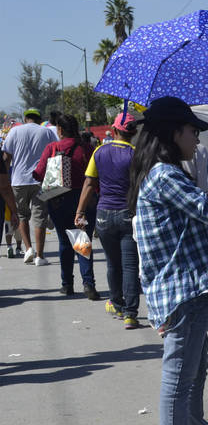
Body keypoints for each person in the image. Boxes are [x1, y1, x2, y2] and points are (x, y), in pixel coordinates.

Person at [128, 96, 208, 425]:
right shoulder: (164, 176)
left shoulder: (165, 173)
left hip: (186, 291)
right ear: (174, 134)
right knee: (179, 379)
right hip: (181, 292)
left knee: (194, 371)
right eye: (193, 131)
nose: (197, 139)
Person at [76, 112, 143, 328]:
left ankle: (117, 303)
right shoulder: (136, 154)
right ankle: (131, 314)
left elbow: (89, 184)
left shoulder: (99, 151)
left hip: (103, 214)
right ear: (133, 132)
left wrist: (80, 211)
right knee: (130, 266)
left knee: (113, 263)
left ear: (114, 130)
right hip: (128, 213)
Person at [33, 114, 97, 298]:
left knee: (64, 242)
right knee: (82, 240)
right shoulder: (86, 148)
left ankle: (67, 284)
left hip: (58, 201)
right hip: (83, 200)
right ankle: (88, 284)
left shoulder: (53, 148)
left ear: (60, 129)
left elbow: (38, 173)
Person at [2, 108, 58, 265]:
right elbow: (56, 154)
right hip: (40, 180)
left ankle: (28, 249)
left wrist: (5, 179)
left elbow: (6, 157)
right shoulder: (46, 132)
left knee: (22, 216)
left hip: (18, 181)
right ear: (39, 119)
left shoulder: (14, 131)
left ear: (25, 118)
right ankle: (40, 256)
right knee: (39, 217)